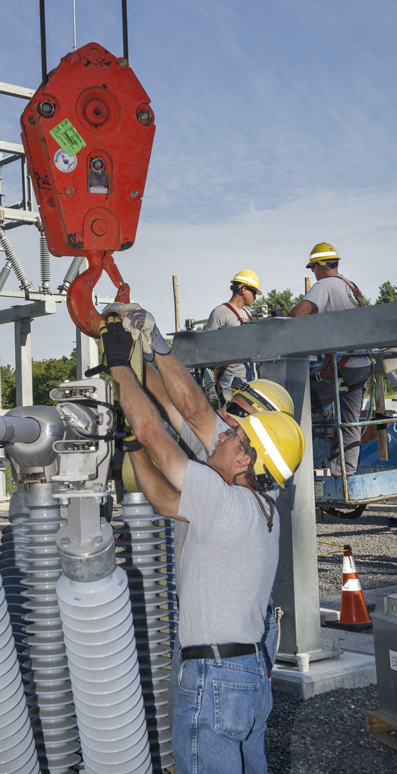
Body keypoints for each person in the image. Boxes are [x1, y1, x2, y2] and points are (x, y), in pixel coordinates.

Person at [99, 305, 305, 774]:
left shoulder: (222, 498)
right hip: (248, 671)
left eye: (236, 433)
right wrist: (133, 437)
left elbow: (163, 428)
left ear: (246, 461)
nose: (225, 432)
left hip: (213, 674)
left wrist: (117, 365)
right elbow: (163, 500)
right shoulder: (262, 506)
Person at [289, 242, 372, 477]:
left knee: (296, 398)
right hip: (361, 364)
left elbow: (299, 314)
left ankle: (297, 467)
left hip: (342, 368)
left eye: (313, 267)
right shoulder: (351, 287)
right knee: (349, 421)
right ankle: (344, 473)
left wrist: (286, 314)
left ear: (320, 265)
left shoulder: (323, 285)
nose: (313, 272)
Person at [207, 269, 263, 400]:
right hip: (230, 380)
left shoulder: (248, 314)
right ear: (244, 290)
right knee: (231, 418)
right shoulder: (220, 313)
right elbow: (208, 348)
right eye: (254, 292)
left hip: (251, 378)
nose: (255, 297)